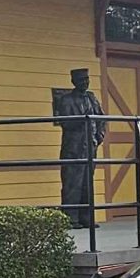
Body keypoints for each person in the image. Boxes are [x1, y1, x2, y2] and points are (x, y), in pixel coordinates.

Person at [53, 67, 104, 232]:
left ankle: (86, 217)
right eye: (82, 81)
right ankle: (70, 218)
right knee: (72, 183)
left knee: (87, 183)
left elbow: (101, 117)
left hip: (90, 145)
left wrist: (100, 135)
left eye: (87, 80)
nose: (85, 83)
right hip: (73, 147)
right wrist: (84, 119)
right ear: (74, 82)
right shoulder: (66, 100)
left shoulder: (92, 98)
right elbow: (65, 122)